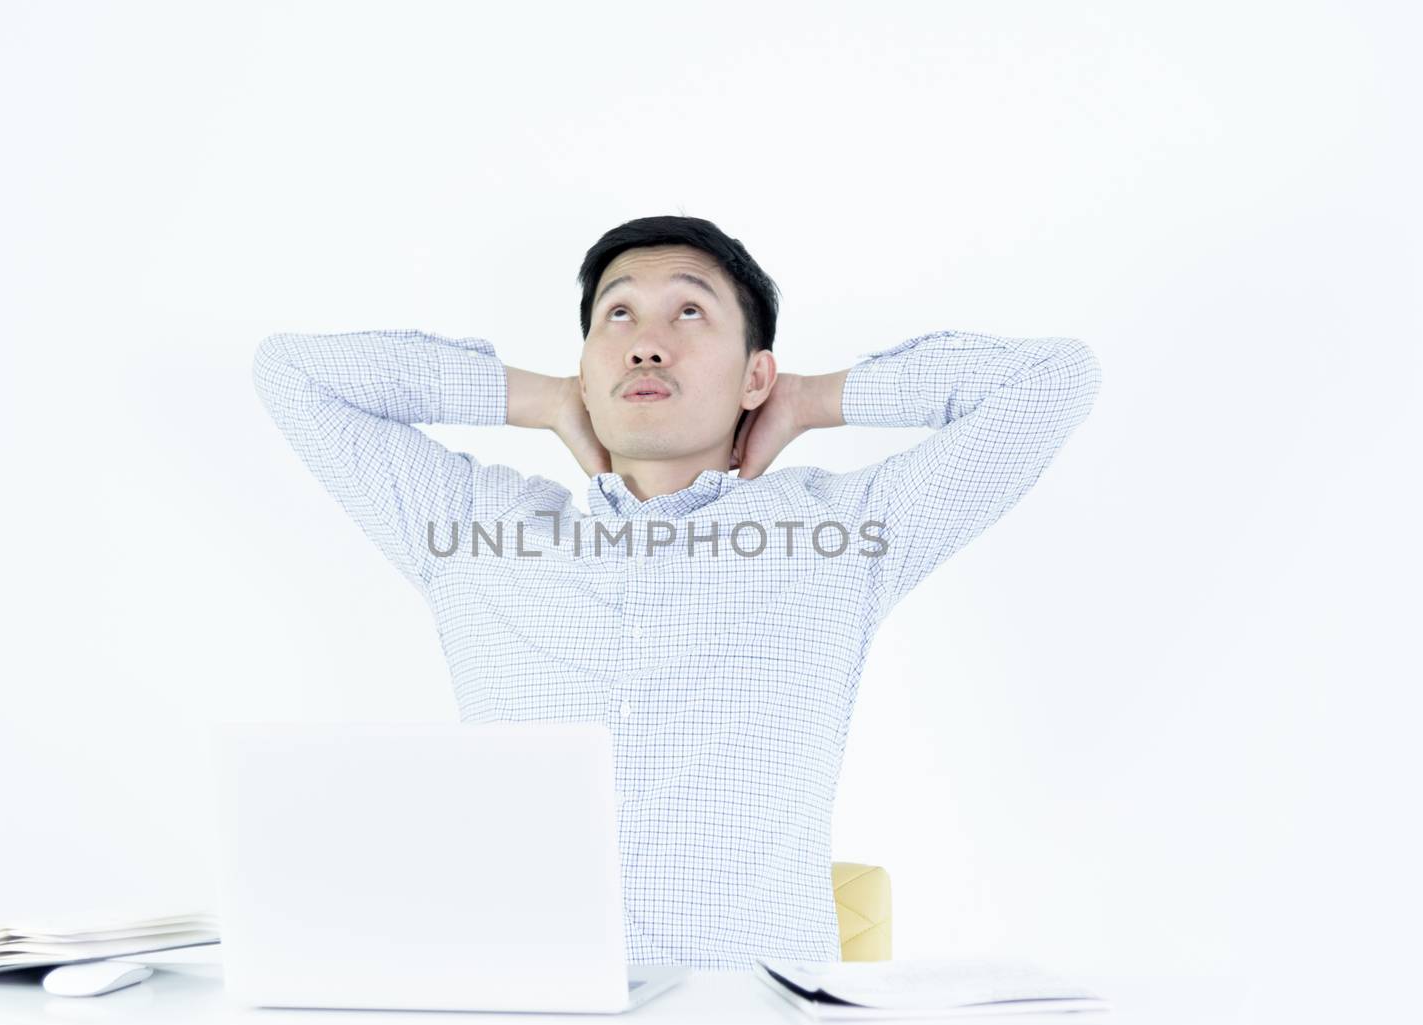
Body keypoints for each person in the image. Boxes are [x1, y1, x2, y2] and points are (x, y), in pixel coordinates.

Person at [251, 214, 1102, 970]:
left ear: (753, 375)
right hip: (527, 1020)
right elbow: (291, 373)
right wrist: (544, 399)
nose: (646, 342)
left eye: (688, 312)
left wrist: (809, 400)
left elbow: (1055, 380)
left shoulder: (843, 537)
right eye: (617, 314)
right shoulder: (476, 530)